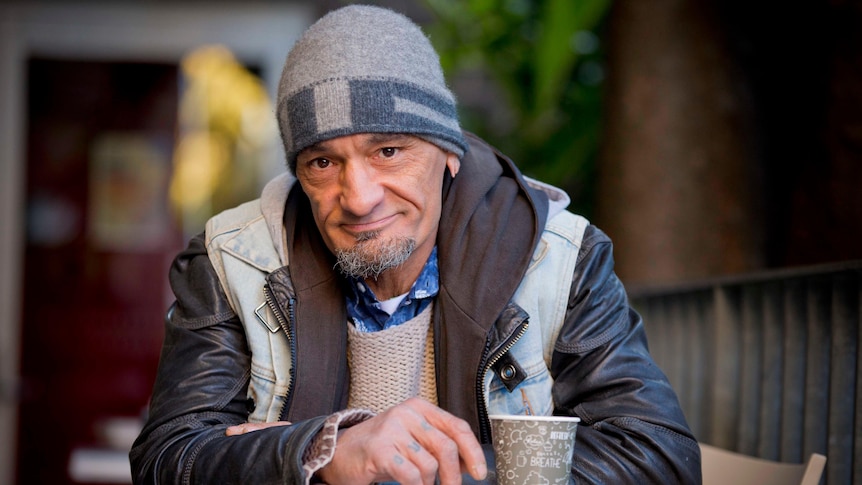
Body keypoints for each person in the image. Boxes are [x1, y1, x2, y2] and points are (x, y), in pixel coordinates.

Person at [130, 5, 701, 484]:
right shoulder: (233, 260)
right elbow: (166, 459)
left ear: (448, 152)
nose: (358, 197)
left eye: (389, 152)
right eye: (323, 162)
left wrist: (424, 468)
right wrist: (324, 450)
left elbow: (658, 458)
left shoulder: (557, 257)